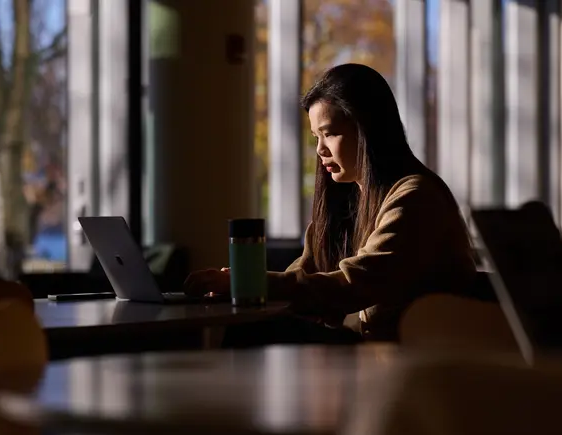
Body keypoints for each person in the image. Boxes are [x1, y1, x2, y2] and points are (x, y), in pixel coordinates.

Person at [185, 63, 477, 343]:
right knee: (251, 329)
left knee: (254, 336)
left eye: (329, 133)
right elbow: (302, 274)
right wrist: (238, 283)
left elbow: (357, 283)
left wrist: (252, 283)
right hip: (371, 354)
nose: (320, 149)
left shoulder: (416, 196)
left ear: (367, 130)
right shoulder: (347, 199)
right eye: (315, 136)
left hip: (420, 358)